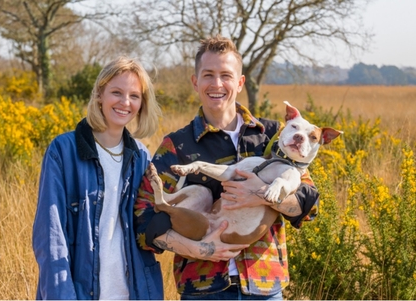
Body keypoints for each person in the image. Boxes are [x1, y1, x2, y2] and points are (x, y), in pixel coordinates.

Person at [135, 35, 319, 300]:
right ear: (195, 82)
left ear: (240, 82)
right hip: (203, 290)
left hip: (265, 287)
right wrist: (199, 249)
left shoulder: (276, 136)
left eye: (226, 75)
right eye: (208, 75)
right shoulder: (177, 145)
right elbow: (144, 220)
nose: (217, 84)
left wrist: (261, 194)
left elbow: (310, 206)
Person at [32, 56, 164, 300]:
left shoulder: (142, 156)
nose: (125, 102)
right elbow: (51, 238)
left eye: (134, 96)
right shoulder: (64, 150)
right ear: (100, 94)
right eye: (116, 92)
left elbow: (147, 228)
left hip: (134, 293)